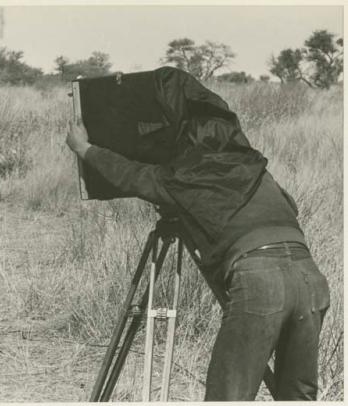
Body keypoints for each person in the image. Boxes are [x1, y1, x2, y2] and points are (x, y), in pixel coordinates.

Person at [65, 72, 330, 401]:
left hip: (260, 281)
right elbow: (290, 207)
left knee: (228, 396)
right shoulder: (253, 167)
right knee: (298, 397)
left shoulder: (186, 176)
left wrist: (84, 148)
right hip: (311, 279)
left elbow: (132, 176)